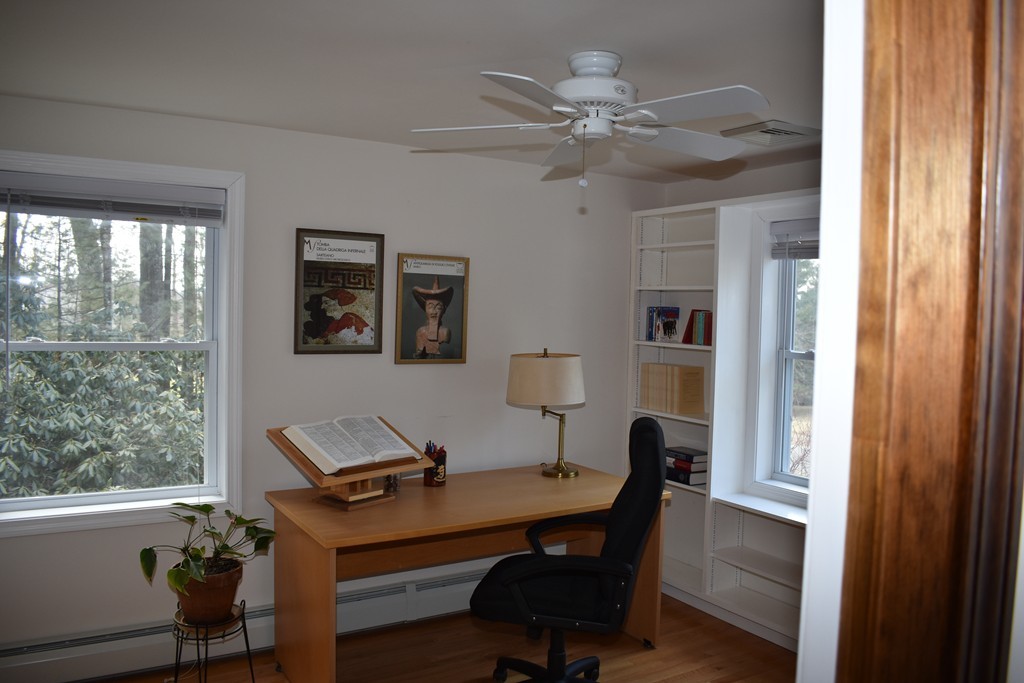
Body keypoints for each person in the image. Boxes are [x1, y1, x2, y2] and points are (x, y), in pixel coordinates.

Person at [412, 276, 453, 358]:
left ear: (443, 310)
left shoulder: (445, 332)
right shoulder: (421, 332)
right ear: (425, 309)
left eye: (438, 307)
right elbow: (419, 357)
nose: (434, 312)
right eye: (430, 307)